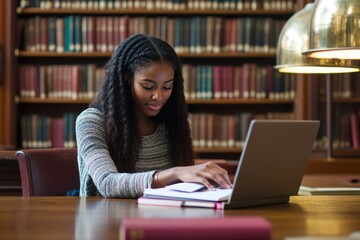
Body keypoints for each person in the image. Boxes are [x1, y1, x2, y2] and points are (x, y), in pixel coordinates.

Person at [75, 34, 232, 198]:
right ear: (127, 78)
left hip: (164, 217)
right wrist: (174, 173)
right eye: (148, 86)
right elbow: (108, 183)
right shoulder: (91, 122)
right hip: (109, 219)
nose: (158, 96)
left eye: (167, 86)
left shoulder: (176, 123)